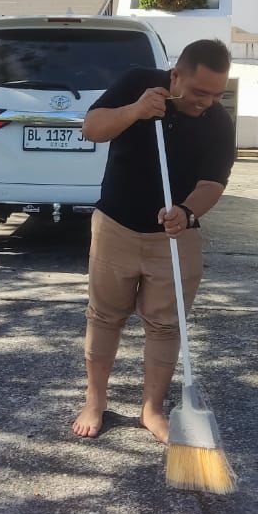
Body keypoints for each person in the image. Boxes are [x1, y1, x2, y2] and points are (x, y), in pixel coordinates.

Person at [71, 39, 236, 444]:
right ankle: (95, 401)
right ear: (175, 75)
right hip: (116, 226)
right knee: (105, 316)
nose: (208, 102)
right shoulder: (138, 84)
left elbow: (214, 182)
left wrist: (188, 212)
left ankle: (152, 409)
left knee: (165, 325)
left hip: (175, 238)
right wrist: (137, 110)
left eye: (217, 94)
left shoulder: (217, 120)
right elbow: (92, 128)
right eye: (199, 92)